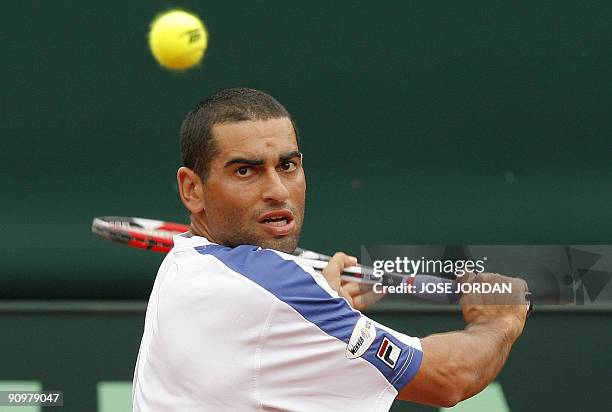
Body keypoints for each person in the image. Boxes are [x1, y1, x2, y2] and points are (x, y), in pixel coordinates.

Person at [132, 88, 530, 411]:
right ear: (192, 189)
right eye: (245, 171)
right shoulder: (274, 292)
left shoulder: (186, 263)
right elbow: (450, 378)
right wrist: (498, 321)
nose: (277, 191)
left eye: (288, 166)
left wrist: (328, 312)